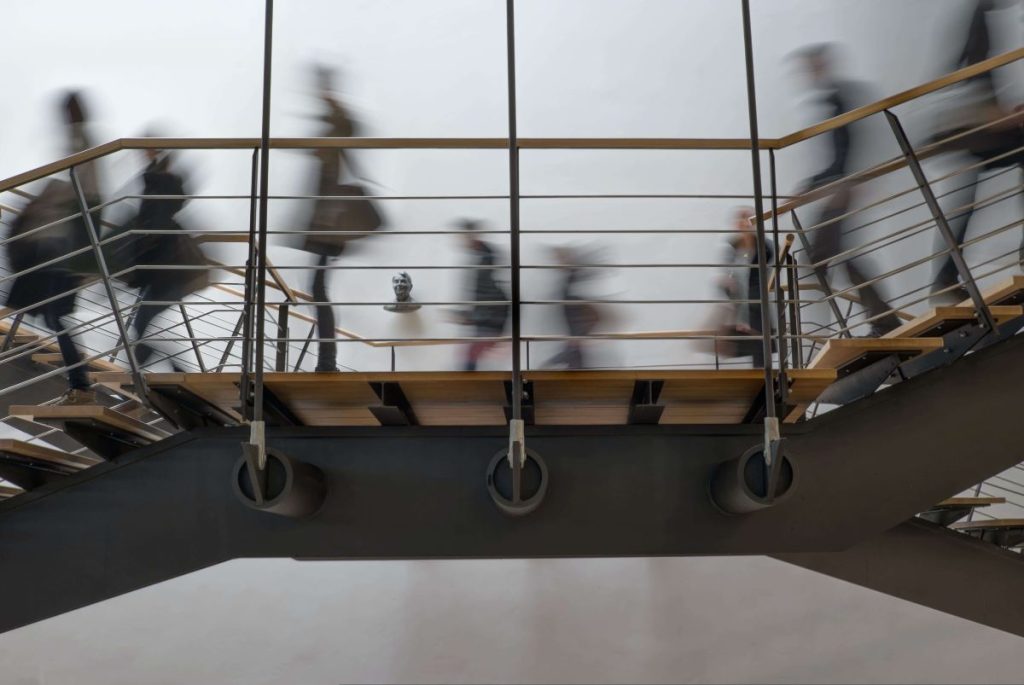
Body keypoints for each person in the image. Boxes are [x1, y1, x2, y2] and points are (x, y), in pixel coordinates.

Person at [796, 44, 900, 336]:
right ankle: (879, 318)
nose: (810, 72)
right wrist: (813, 185)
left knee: (821, 258)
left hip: (843, 186)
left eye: (813, 65)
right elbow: (840, 154)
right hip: (841, 184)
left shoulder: (838, 99)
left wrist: (848, 182)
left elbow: (846, 149)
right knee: (831, 256)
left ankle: (832, 331)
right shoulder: (834, 99)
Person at [5, 92, 102, 404]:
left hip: (62, 246)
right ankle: (80, 382)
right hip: (62, 245)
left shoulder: (83, 142)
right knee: (52, 314)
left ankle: (81, 385)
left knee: (54, 314)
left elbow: (86, 188)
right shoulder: (81, 143)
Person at [929, 0, 1024, 303]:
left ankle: (945, 277)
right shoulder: (980, 13)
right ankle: (945, 277)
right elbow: (975, 65)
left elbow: (964, 63)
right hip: (976, 125)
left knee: (965, 198)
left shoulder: (979, 13)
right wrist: (997, 111)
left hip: (973, 124)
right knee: (966, 197)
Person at [300, 65, 382, 372]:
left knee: (318, 288)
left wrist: (329, 99)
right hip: (329, 222)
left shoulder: (338, 124)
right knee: (318, 288)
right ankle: (326, 360)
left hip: (332, 223)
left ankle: (327, 361)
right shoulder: (333, 129)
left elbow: (349, 129)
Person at [112, 146, 209, 367]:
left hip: (172, 273)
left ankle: (147, 373)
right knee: (143, 323)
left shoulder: (160, 195)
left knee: (143, 323)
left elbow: (167, 202)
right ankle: (159, 371)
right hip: (167, 273)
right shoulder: (157, 195)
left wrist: (157, 165)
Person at [707, 207, 775, 368]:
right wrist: (726, 284)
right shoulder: (731, 247)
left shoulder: (765, 247)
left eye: (748, 218)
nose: (744, 222)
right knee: (738, 342)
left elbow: (771, 272)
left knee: (760, 343)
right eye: (741, 218)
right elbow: (722, 275)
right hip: (736, 301)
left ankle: (762, 377)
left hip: (757, 301)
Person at [454, 219, 508, 371]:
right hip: (487, 321)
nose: (461, 240)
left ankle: (468, 388)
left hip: (489, 322)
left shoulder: (486, 261)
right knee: (470, 356)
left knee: (470, 357)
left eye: (463, 236)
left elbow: (488, 295)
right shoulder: (483, 258)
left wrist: (469, 316)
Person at [544, 245, 601, 369]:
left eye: (558, 258)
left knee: (548, 368)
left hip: (575, 340)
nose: (555, 262)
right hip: (573, 340)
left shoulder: (574, 281)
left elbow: (592, 312)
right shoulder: (570, 279)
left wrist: (580, 336)